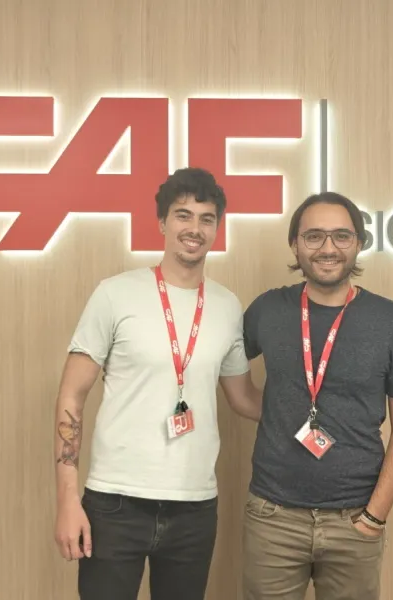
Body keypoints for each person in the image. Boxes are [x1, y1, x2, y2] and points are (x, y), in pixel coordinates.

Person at [52, 167, 261, 600]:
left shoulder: (226, 305)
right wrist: (67, 501)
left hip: (195, 505)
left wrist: (316, 402)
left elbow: (243, 398)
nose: (195, 228)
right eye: (183, 215)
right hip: (114, 502)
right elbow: (72, 395)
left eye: (207, 219)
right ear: (163, 223)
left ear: (217, 229)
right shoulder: (115, 294)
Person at [241, 192, 393, 600]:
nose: (328, 248)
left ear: (359, 242)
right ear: (295, 245)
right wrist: (276, 412)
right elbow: (223, 369)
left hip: (355, 518)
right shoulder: (267, 310)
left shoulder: (392, 320)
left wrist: (374, 518)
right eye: (314, 236)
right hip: (273, 517)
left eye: (341, 236)